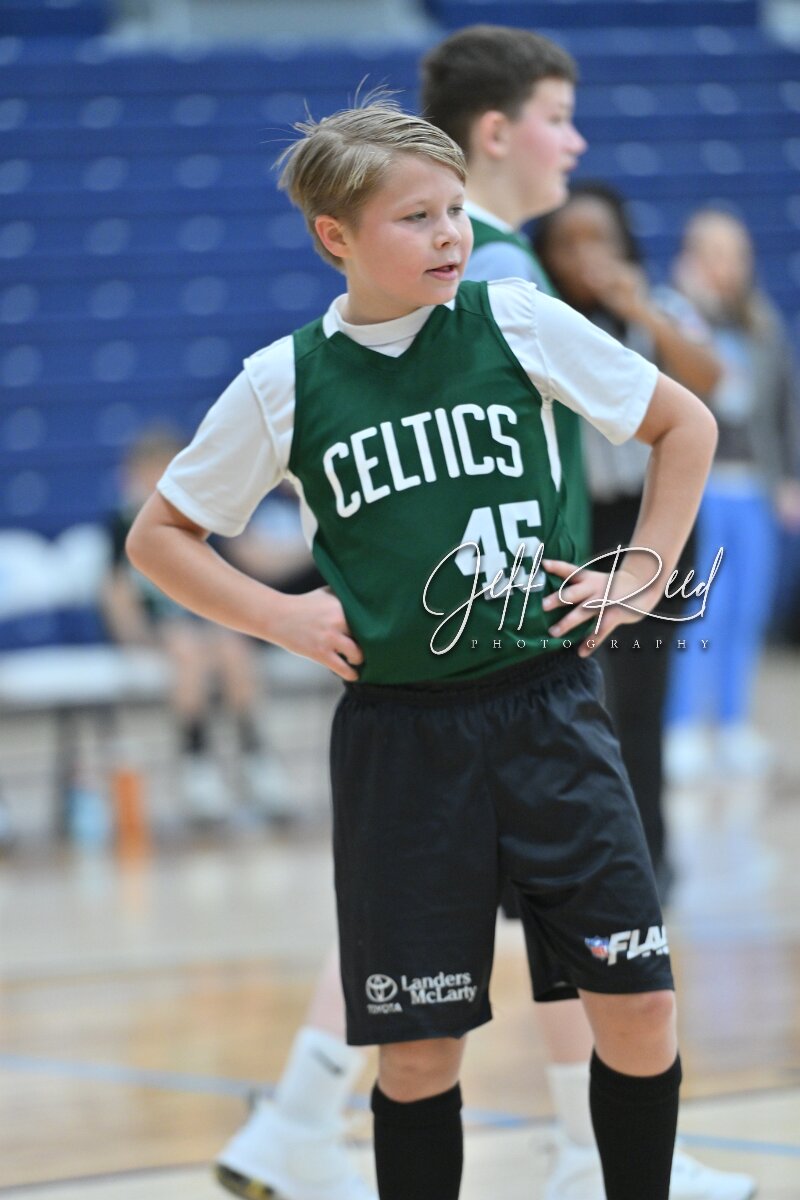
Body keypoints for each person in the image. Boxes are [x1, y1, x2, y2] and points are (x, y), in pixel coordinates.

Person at [127, 98, 718, 1200]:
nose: (450, 234)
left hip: (549, 709)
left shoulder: (515, 319)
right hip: (402, 742)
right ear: (335, 237)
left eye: (454, 210)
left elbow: (684, 424)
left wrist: (639, 574)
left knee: (639, 1006)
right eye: (416, 217)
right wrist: (277, 617)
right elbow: (159, 537)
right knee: (416, 1052)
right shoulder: (285, 380)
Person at [532, 180, 722, 900]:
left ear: (625, 245)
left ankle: (652, 854)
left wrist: (641, 309)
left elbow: (711, 382)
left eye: (599, 239)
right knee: (578, 697)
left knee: (643, 696)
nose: (586, 256)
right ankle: (576, 856)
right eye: (568, 243)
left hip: (654, 523)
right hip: (574, 526)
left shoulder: (660, 307)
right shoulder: (538, 321)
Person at [665, 209, 800, 782]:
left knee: (747, 609)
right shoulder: (673, 317)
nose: (728, 266)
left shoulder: (761, 323)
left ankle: (732, 723)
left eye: (736, 254)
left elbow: (783, 405)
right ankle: (682, 727)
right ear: (692, 256)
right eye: (715, 253)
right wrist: (686, 307)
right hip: (701, 488)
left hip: (754, 487)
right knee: (702, 610)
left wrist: (789, 478)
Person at [101, 428, 291, 825]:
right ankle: (196, 760)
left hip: (201, 612)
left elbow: (240, 561)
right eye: (151, 471)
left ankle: (255, 755)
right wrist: (132, 634)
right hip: (160, 619)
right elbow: (116, 588)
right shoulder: (124, 521)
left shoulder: (198, 513)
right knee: (186, 649)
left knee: (234, 647)